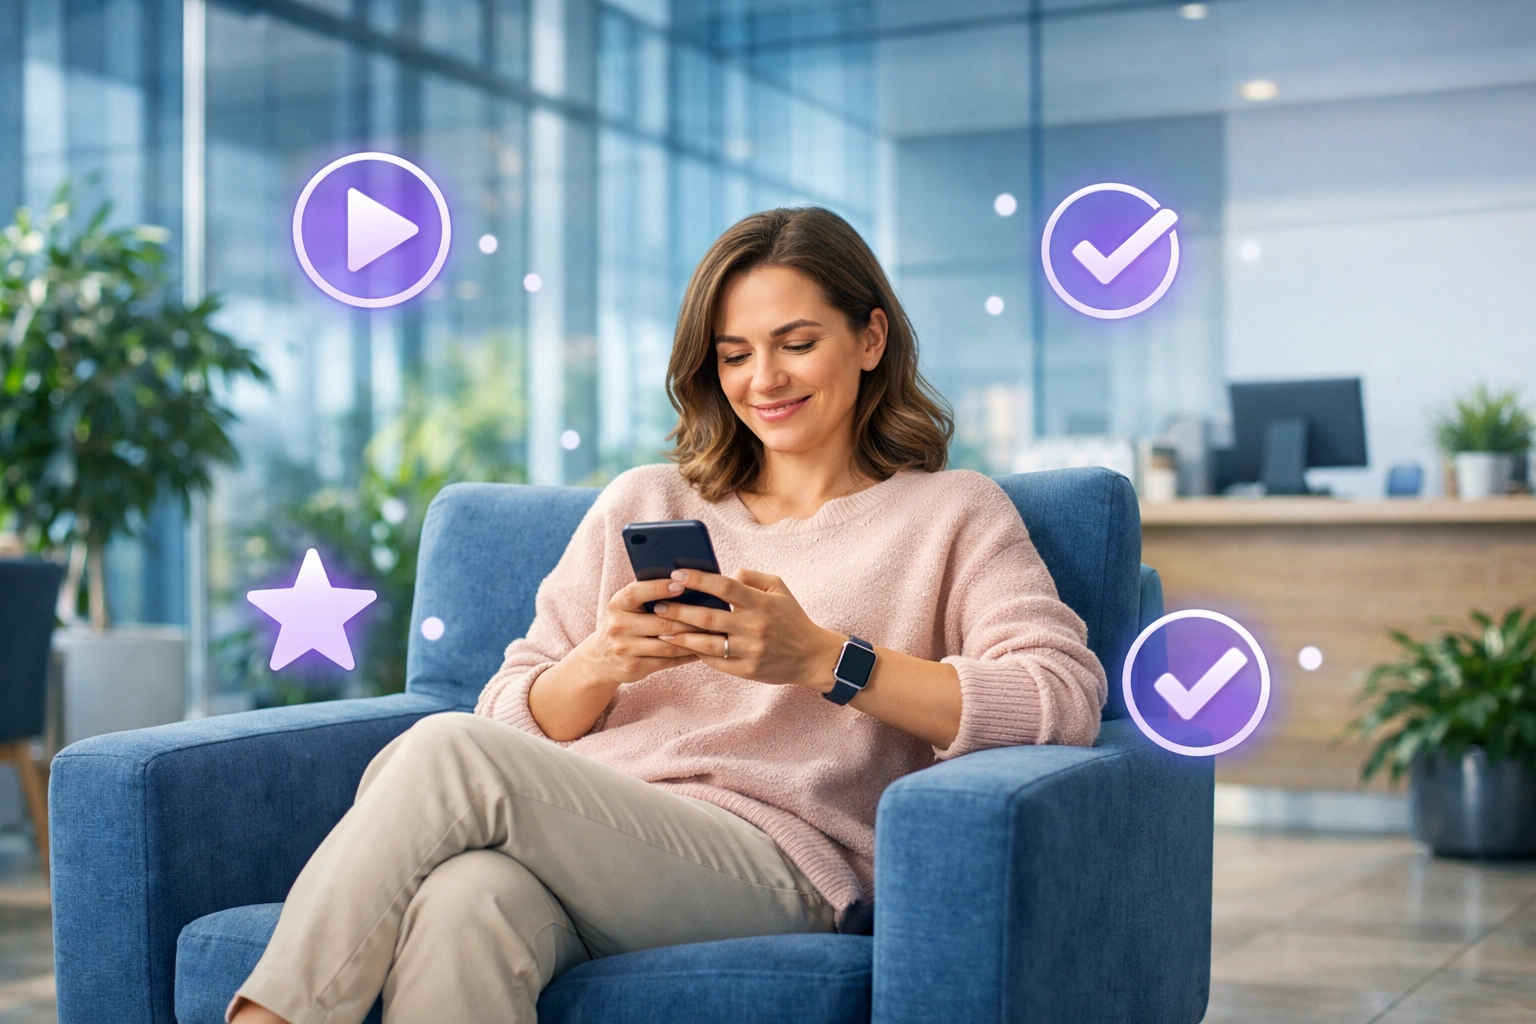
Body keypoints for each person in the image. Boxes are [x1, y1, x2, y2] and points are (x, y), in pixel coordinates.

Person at [229, 206, 1106, 1024]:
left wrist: (823, 659)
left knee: (445, 751)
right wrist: (603, 661)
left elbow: (1059, 699)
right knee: (467, 904)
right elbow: (512, 708)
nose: (763, 380)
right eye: (733, 355)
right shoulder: (646, 499)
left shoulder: (952, 513)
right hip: (593, 833)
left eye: (796, 343)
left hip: (778, 866)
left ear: (870, 337)